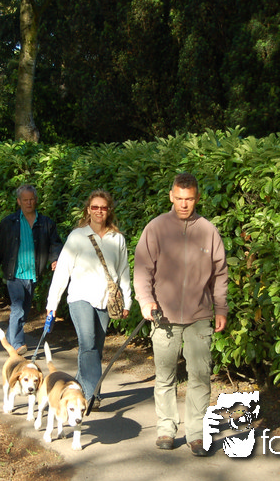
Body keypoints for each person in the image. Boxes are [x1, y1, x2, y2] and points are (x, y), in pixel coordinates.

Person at [133, 173, 228, 457]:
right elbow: (142, 269)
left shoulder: (208, 231)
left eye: (189, 199)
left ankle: (196, 434)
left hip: (200, 315)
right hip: (163, 316)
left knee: (200, 376)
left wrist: (221, 308)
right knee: (165, 375)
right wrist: (146, 301)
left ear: (197, 198)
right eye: (179, 198)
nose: (184, 204)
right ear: (171, 196)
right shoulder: (156, 228)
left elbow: (220, 274)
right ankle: (166, 429)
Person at [45, 190, 131, 407]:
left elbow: (124, 271)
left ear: (109, 210)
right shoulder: (77, 237)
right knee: (88, 343)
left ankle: (78, 389)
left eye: (103, 207)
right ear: (88, 210)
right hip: (80, 297)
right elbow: (62, 271)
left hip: (106, 300)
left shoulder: (117, 239)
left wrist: (127, 301)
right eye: (95, 207)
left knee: (96, 349)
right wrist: (52, 304)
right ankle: (92, 396)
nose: (99, 211)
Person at [0, 184, 63, 354]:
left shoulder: (46, 223)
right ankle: (17, 344)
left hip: (33, 274)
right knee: (18, 307)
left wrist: (55, 259)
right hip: (14, 273)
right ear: (19, 201)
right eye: (25, 200)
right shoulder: (8, 223)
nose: (28, 203)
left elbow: (55, 243)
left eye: (31, 199)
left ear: (36, 200)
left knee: (24, 309)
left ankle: (10, 338)